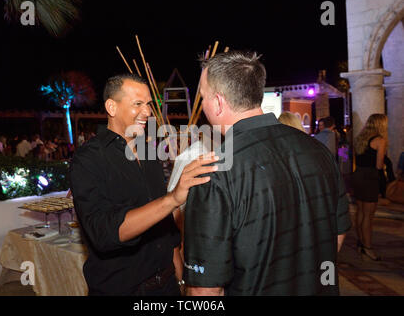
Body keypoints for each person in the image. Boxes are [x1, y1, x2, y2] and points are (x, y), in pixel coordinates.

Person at [183, 51, 351, 296]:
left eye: (203, 98)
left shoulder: (214, 171)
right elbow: (337, 232)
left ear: (218, 102)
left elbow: (204, 290)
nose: (202, 107)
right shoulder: (319, 151)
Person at [69, 74, 218, 296]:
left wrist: (179, 281)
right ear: (112, 107)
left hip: (166, 286)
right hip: (122, 290)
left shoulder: (149, 152)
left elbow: (165, 227)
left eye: (148, 104)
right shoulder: (88, 159)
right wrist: (173, 198)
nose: (147, 113)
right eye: (137, 104)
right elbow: (104, 233)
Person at [352, 114, 388, 261]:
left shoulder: (360, 138)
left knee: (360, 210)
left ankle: (361, 242)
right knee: (369, 215)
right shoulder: (380, 140)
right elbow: (379, 165)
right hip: (370, 177)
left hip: (358, 174)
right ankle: (368, 248)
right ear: (381, 124)